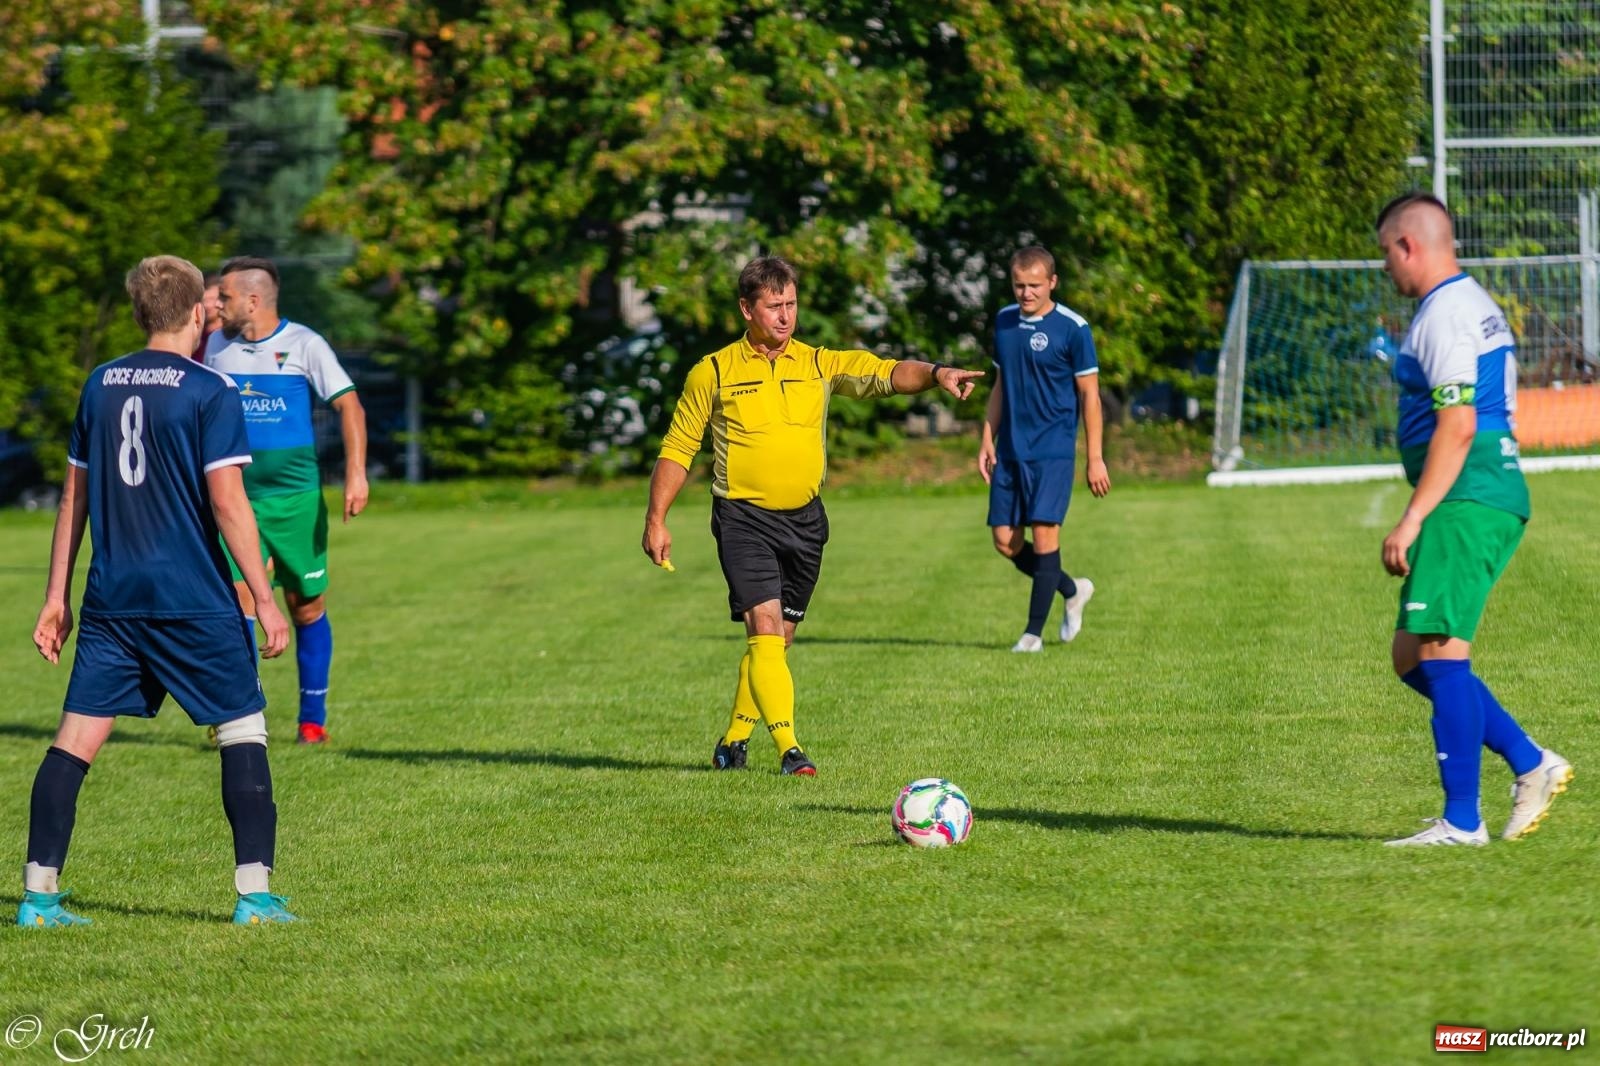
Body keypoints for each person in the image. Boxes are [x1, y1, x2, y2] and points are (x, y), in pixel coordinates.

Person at [21, 255, 296, 928]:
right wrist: (263, 597)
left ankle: (38, 897)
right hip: (193, 596)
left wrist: (56, 596)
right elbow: (229, 504)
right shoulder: (210, 390)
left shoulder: (99, 384)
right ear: (198, 313)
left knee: (75, 739)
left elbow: (73, 499)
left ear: (140, 313)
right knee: (241, 729)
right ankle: (256, 898)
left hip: (113, 597)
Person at [642, 255, 982, 775]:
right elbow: (678, 447)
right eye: (774, 306)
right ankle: (791, 751)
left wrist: (937, 374)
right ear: (746, 309)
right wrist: (656, 519)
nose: (785, 316)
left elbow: (886, 372)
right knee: (764, 624)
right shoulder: (712, 372)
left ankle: (734, 740)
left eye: (792, 304)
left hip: (805, 521)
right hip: (742, 518)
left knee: (779, 640)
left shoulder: (819, 363)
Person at [1375, 192, 1572, 847]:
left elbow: (1458, 426)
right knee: (1413, 656)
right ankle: (1530, 761)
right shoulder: (1466, 302)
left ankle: (1463, 820)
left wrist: (1411, 520)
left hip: (1469, 492)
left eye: (1386, 254)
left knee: (1441, 652)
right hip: (1475, 492)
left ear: (1410, 245)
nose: (1386, 270)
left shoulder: (1447, 313)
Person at [206, 256, 368, 745]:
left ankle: (311, 720)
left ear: (253, 301)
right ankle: (241, 720)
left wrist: (356, 475)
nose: (217, 304)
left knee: (306, 607)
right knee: (239, 605)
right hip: (235, 499)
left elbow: (349, 404)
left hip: (296, 500)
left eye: (225, 297)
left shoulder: (304, 344)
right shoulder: (214, 347)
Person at [977, 246, 1110, 653]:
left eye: (1034, 285)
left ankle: (1032, 634)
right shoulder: (1002, 321)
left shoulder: (1073, 328)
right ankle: (1071, 589)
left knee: (1046, 533)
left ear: (1052, 282)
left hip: (1052, 450)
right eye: (1019, 285)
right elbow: (1000, 385)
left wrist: (1094, 457)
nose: (1026, 293)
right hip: (1012, 450)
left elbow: (1090, 396)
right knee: (1005, 541)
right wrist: (987, 435)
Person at [191, 272, 221, 361]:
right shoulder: (194, 335)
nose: (207, 305)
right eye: (203, 300)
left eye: (211, 299)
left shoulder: (233, 336)